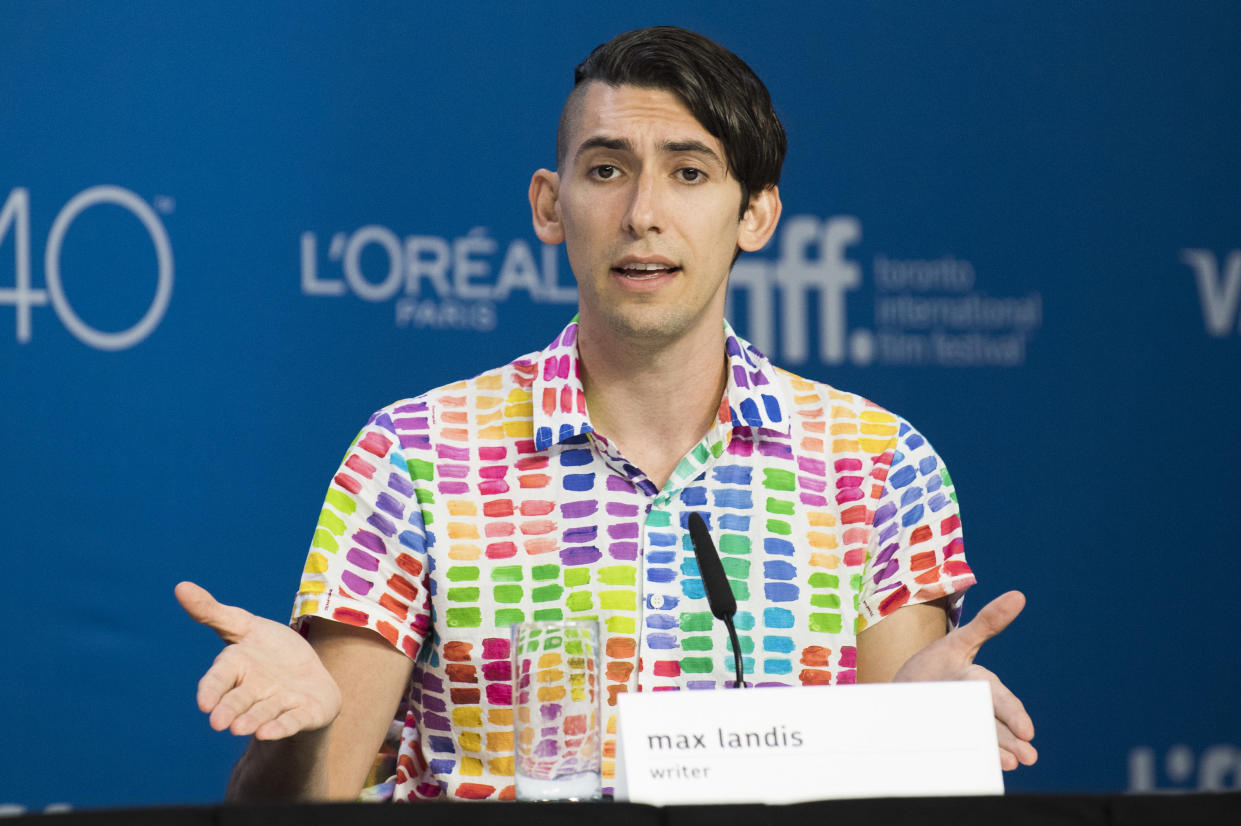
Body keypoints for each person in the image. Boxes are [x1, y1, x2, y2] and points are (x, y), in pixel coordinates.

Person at [176, 25, 1037, 802]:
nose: (643, 215)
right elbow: (298, 805)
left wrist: (930, 747)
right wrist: (302, 728)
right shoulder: (415, 455)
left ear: (756, 213)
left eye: (689, 173)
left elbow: (894, 802)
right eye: (606, 169)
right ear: (551, 205)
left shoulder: (878, 461)